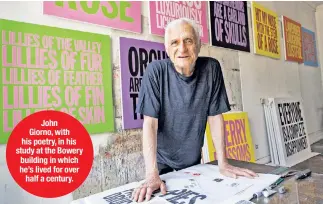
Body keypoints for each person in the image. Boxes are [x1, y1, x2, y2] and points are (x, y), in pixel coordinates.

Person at [132, 18, 258, 202]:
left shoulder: (211, 68)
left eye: (188, 41)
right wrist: (152, 173)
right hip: (160, 164)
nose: (182, 48)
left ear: (199, 45)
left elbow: (215, 117)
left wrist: (223, 163)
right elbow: (150, 123)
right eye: (174, 42)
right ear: (167, 48)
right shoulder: (155, 72)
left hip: (192, 162)